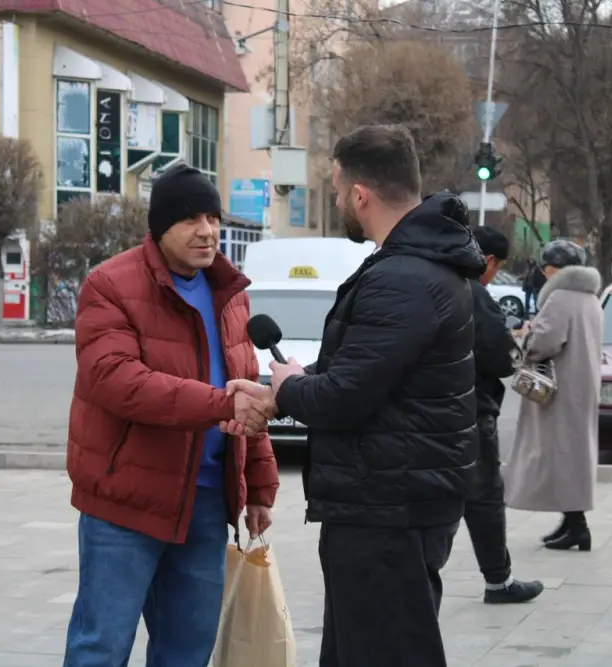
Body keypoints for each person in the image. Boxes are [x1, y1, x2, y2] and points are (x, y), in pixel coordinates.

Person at [228, 125, 484, 667]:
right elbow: (369, 365)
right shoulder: (419, 266)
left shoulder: (404, 277)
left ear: (361, 194)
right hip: (392, 498)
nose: (340, 200)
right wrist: (285, 389)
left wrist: (291, 389)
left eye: (340, 191)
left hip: (388, 507)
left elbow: (345, 395)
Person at [63, 164, 280, 667]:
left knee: (188, 649)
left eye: (212, 217)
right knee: (101, 646)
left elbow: (245, 385)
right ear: (159, 227)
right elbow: (117, 381)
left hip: (205, 506)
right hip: (125, 504)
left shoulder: (231, 295)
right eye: (189, 219)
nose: (207, 231)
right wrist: (221, 403)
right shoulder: (110, 284)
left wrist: (260, 485)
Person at [506, 240, 602, 551]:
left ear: (554, 269)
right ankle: (572, 522)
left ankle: (577, 526)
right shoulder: (589, 298)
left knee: (563, 455)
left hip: (561, 391)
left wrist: (525, 335)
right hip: (581, 386)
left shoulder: (561, 297)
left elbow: (544, 342)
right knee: (572, 455)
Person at [466, 227, 544, 604]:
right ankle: (498, 580)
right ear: (489, 261)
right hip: (471, 408)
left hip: (428, 416)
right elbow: (501, 360)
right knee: (483, 497)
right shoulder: (473, 292)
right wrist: (511, 343)